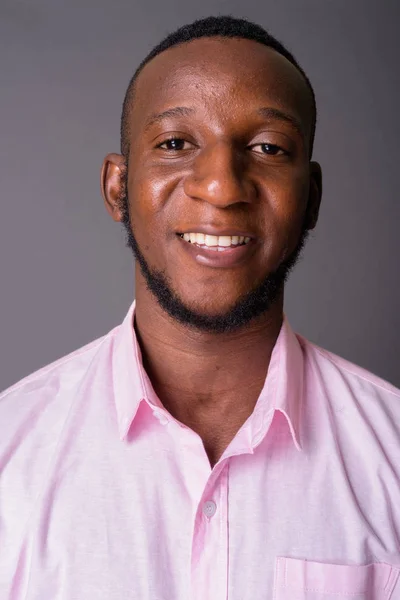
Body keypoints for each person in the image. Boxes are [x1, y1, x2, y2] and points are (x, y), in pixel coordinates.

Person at [1, 14, 399, 600]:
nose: (220, 185)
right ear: (118, 187)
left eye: (267, 147)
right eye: (175, 143)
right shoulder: (11, 456)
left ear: (310, 198)